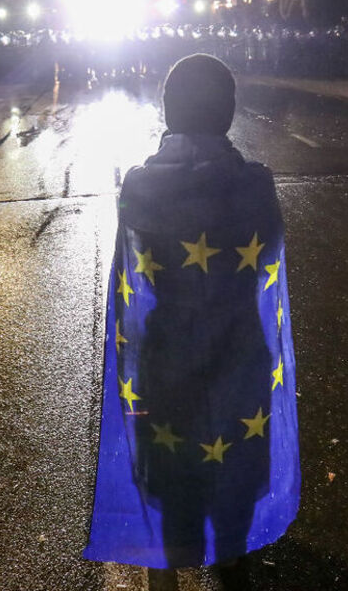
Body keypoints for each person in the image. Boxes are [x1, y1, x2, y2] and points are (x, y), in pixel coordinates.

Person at [84, 54, 300, 591]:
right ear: (228, 113)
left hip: (165, 360)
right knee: (236, 472)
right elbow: (270, 245)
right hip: (241, 355)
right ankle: (230, 564)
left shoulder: (141, 186)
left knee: (173, 476)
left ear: (168, 113)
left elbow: (138, 269)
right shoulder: (254, 185)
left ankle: (166, 578)